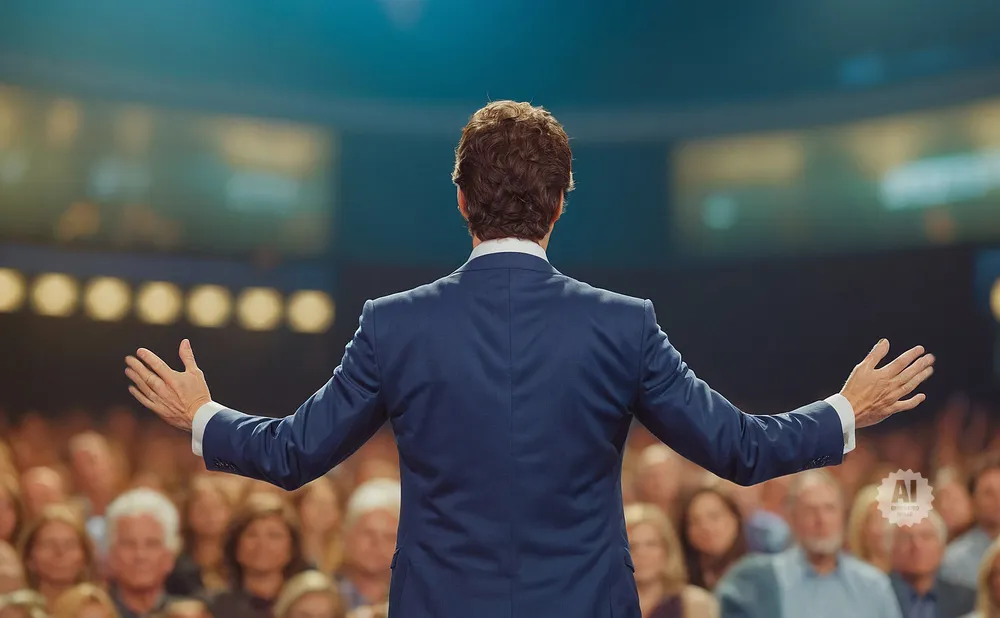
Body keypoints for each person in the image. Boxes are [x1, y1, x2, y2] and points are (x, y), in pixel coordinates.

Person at [124, 100, 936, 618]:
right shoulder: (623, 326)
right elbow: (741, 449)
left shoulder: (395, 325)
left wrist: (202, 416)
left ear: (461, 200)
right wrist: (846, 409)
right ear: (558, 205)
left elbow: (294, 453)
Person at [715, 471, 901, 618]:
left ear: (842, 515)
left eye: (829, 509)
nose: (821, 520)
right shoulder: (757, 582)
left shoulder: (873, 585)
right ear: (791, 517)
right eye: (810, 510)